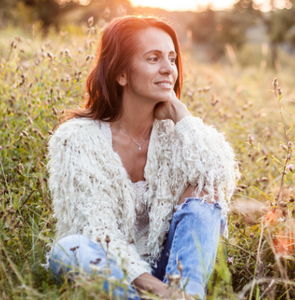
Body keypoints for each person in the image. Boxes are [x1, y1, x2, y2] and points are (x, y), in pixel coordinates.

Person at [45, 15, 239, 299]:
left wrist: (181, 116)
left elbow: (220, 178)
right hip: (109, 268)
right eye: (153, 58)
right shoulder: (76, 139)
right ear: (121, 73)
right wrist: (160, 290)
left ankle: (188, 294)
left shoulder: (177, 134)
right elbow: (97, 231)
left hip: (172, 272)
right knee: (69, 249)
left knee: (205, 191)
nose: (168, 69)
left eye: (172, 59)